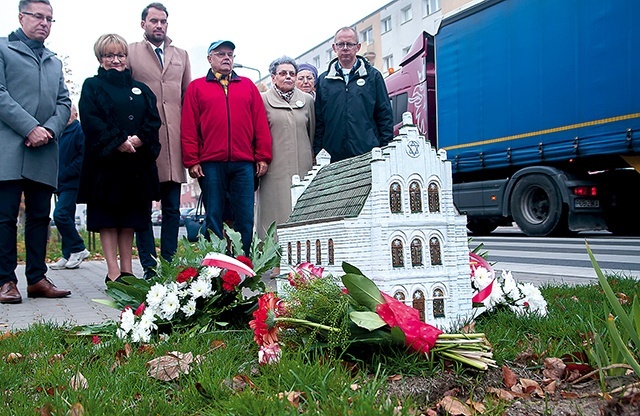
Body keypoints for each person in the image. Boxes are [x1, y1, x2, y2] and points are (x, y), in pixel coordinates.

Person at [0, 0, 73, 304]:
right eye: (39, 16)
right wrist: (30, 127)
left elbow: (64, 102)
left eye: (50, 19)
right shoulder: (3, 49)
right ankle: (5, 280)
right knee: (5, 217)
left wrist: (50, 130)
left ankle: (36, 279)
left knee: (40, 217)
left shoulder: (54, 61)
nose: (44, 23)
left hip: (45, 148)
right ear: (21, 16)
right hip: (10, 147)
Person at [78, 34, 161, 284]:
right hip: (106, 167)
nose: (116, 60)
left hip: (135, 166)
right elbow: (91, 120)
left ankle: (128, 271)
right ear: (100, 58)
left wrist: (139, 139)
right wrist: (118, 141)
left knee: (129, 220)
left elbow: (153, 120)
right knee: (109, 220)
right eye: (109, 55)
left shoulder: (140, 89)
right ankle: (112, 272)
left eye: (120, 55)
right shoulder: (92, 86)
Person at [181, 40, 272, 256]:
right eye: (220, 53)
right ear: (209, 59)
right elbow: (189, 126)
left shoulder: (248, 86)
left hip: (243, 163)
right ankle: (215, 264)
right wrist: (192, 160)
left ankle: (243, 262)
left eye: (230, 54)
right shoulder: (197, 87)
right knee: (214, 214)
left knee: (244, 215)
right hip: (211, 163)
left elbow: (260, 123)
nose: (226, 58)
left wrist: (262, 157)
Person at [128, 2, 191, 280]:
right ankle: (148, 267)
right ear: (143, 24)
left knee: (172, 208)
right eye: (154, 21)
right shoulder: (130, 52)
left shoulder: (181, 55)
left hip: (173, 142)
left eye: (163, 21)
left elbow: (187, 98)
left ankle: (168, 264)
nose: (159, 26)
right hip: (143, 144)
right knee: (142, 207)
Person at [257, 56, 314, 266]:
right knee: (273, 213)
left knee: (301, 211)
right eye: (283, 73)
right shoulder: (263, 100)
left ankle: (304, 261)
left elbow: (312, 131)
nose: (288, 77)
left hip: (303, 165)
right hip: (274, 168)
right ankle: (275, 261)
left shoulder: (307, 100)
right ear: (273, 77)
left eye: (292, 73)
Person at [314, 27, 394, 163]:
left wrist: (385, 148)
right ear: (334, 47)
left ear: (358, 47)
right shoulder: (324, 81)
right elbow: (319, 120)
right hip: (333, 157)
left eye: (350, 44)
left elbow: (384, 115)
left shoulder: (373, 77)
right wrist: (318, 151)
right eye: (340, 44)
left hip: (367, 153)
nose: (345, 48)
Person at [50, 104, 90, 270]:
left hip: (72, 182)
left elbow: (82, 158)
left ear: (75, 114)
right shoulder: (60, 133)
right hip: (61, 183)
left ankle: (79, 248)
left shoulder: (79, 131)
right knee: (67, 217)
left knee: (59, 214)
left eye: (68, 112)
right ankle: (68, 254)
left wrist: (65, 173)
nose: (65, 116)